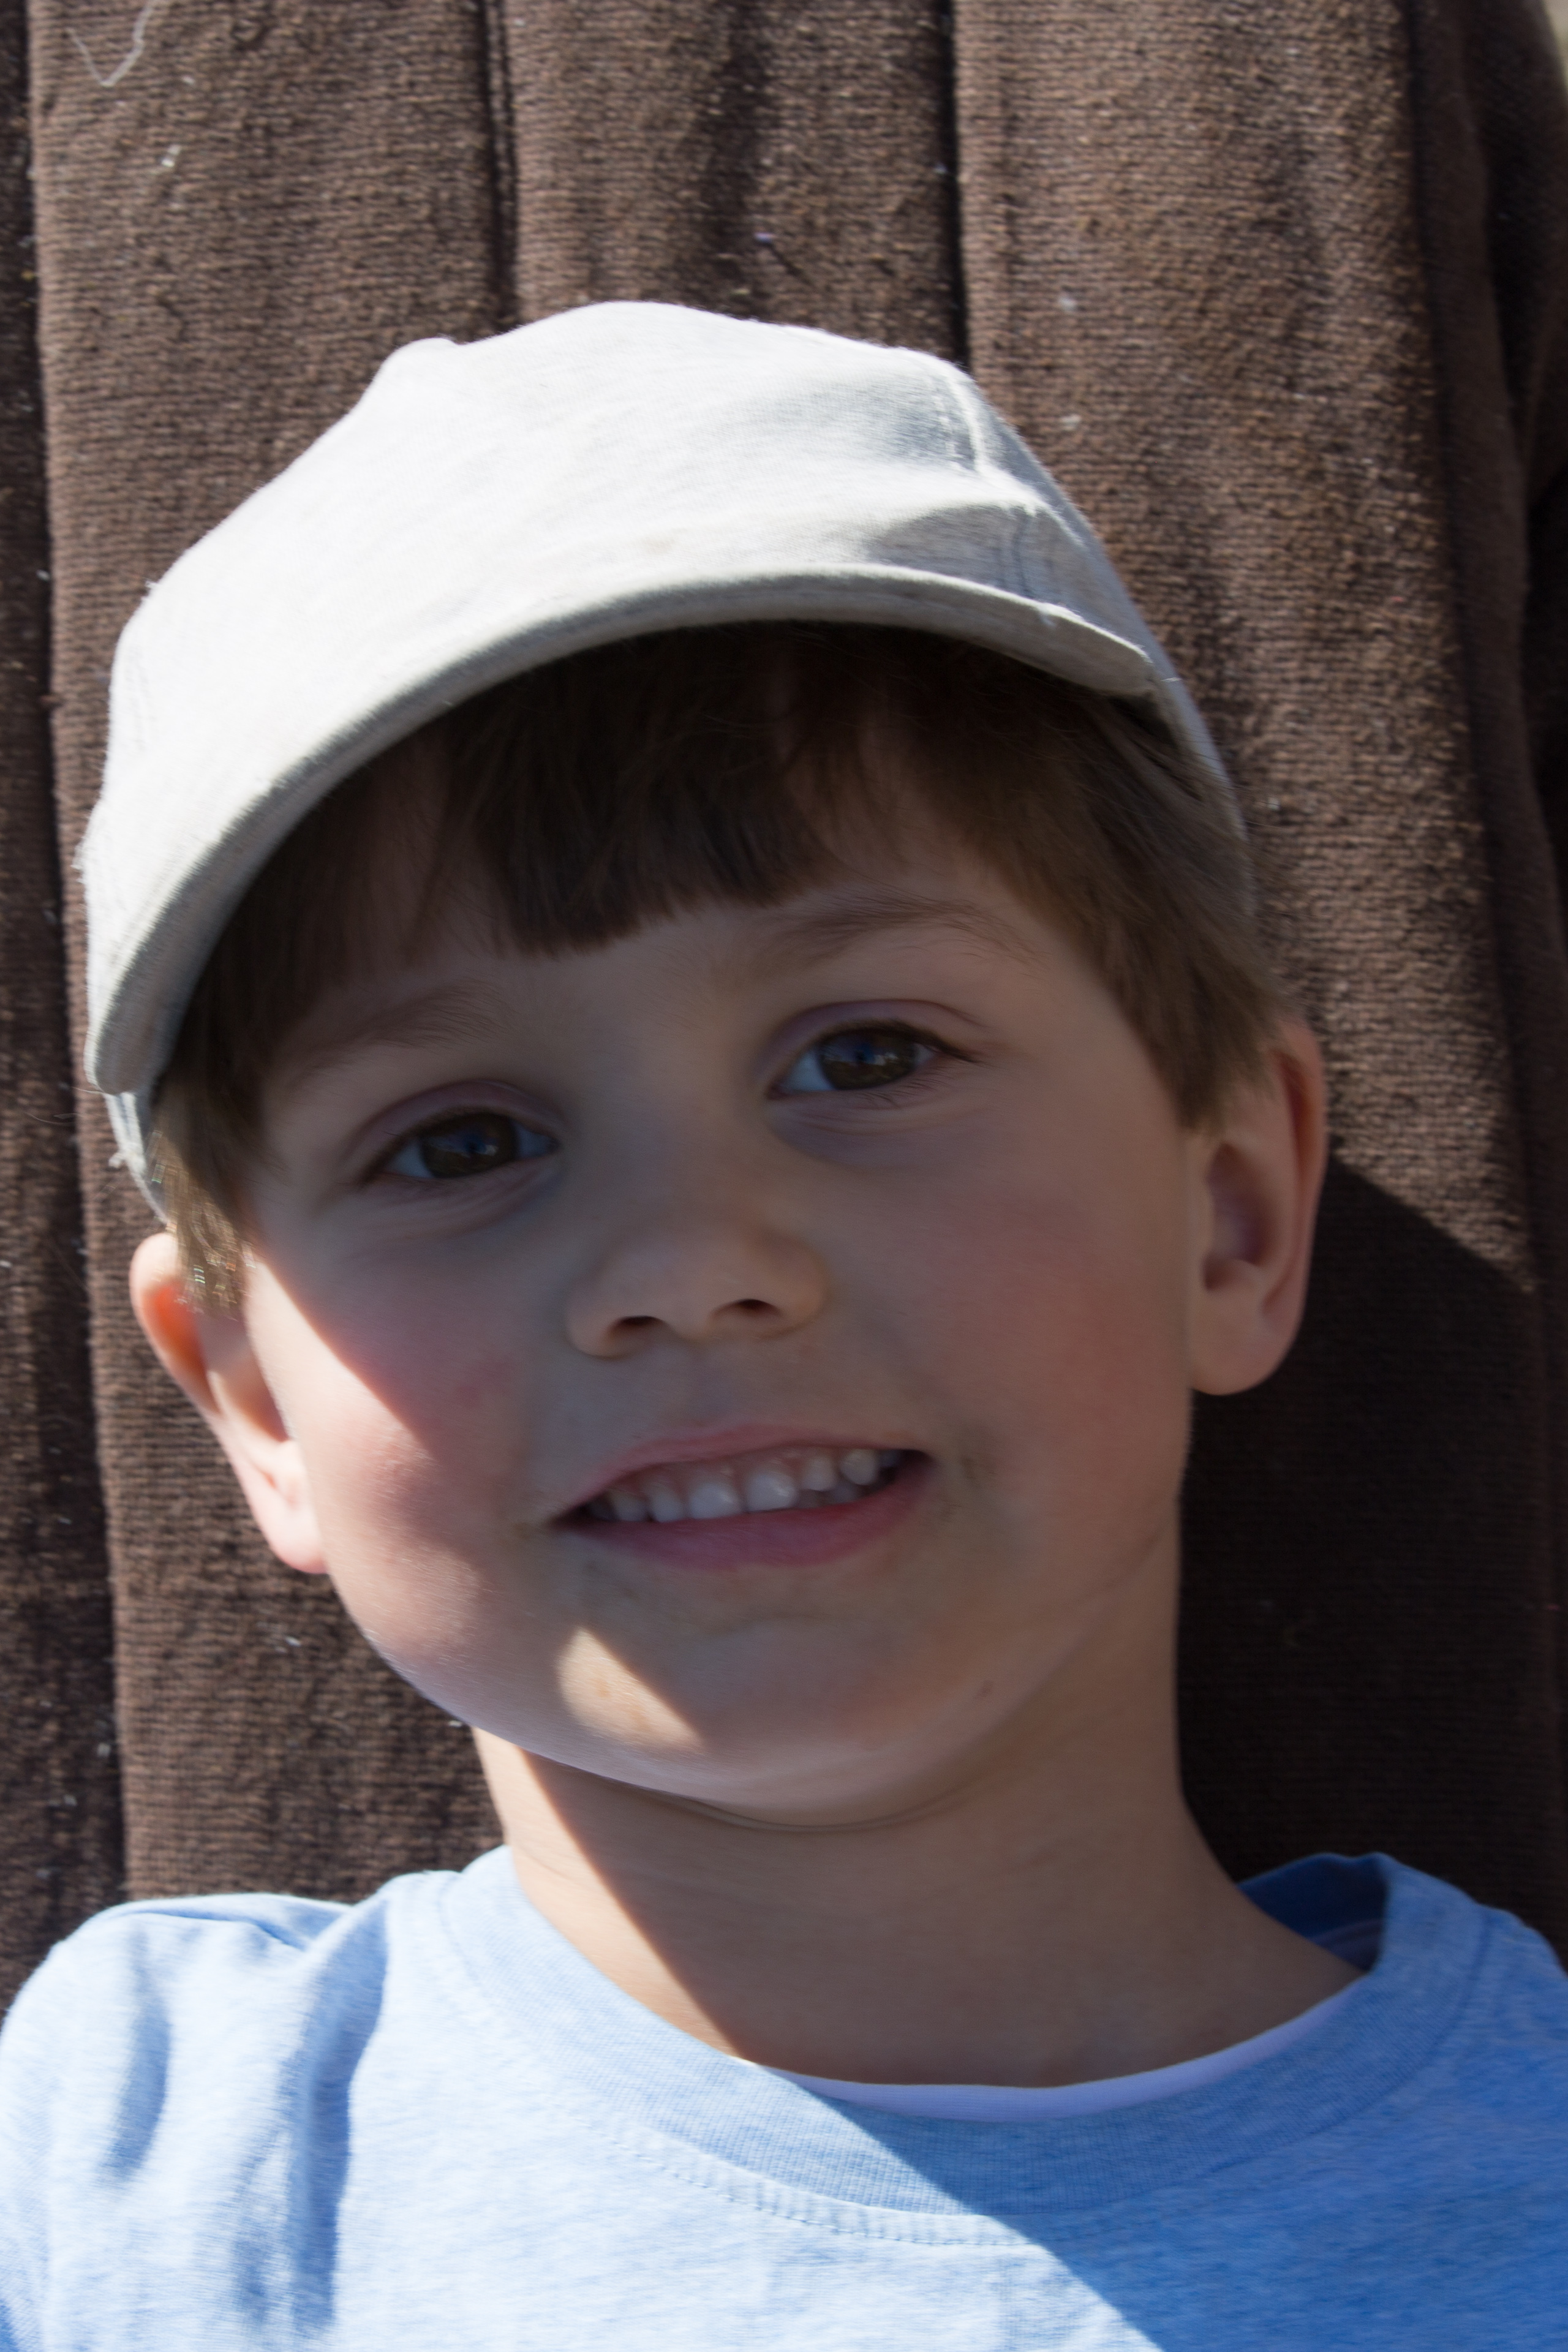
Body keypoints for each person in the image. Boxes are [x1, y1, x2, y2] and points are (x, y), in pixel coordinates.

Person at [1, 301, 1562, 2346]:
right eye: (460, 1142)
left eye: (865, 1056)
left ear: (1232, 1212)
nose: (690, 1258)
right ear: (252, 1405)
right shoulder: (116, 2175)